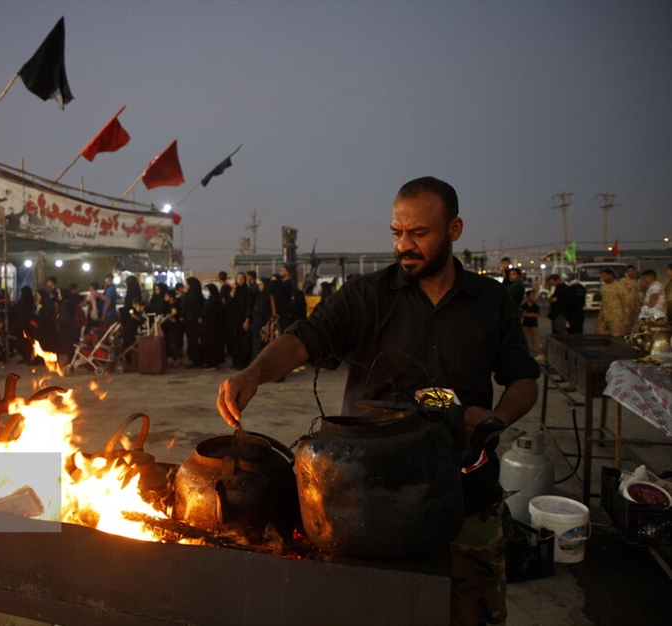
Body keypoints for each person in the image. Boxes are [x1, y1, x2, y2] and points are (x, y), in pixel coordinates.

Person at [217, 176, 539, 625]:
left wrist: (496, 419)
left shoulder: (491, 302)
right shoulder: (364, 297)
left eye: (419, 233)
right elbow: (304, 340)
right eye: (396, 232)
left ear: (454, 229)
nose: (404, 245)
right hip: (364, 498)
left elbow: (524, 379)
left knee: (471, 609)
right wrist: (255, 372)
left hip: (465, 490)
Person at [227, 272, 253, 369]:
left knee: (244, 341)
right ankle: (236, 363)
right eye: (238, 279)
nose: (240, 281)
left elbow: (249, 306)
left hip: (243, 319)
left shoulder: (247, 291)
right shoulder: (234, 290)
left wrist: (247, 319)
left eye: (242, 278)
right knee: (235, 341)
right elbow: (229, 301)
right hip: (234, 320)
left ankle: (244, 362)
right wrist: (233, 289)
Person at [596, 268, 628, 337]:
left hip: (616, 316)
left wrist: (626, 317)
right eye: (602, 276)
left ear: (610, 275)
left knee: (616, 335)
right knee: (600, 333)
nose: (602, 278)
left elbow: (625, 301)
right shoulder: (603, 287)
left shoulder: (619, 286)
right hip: (604, 315)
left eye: (604, 276)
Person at [182, 277, 205, 368]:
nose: (186, 286)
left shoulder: (196, 296)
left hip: (194, 321)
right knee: (190, 341)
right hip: (189, 321)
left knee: (195, 341)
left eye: (188, 284)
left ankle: (198, 360)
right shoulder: (188, 295)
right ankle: (193, 359)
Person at [201, 283, 225, 369]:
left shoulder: (214, 300)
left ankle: (213, 362)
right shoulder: (211, 299)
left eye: (207, 290)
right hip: (209, 325)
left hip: (213, 326)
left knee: (213, 344)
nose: (206, 292)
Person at [521, 289, 541, 357]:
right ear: (528, 296)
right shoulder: (524, 305)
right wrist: (531, 314)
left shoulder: (536, 306)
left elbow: (537, 315)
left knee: (535, 339)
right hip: (525, 324)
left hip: (534, 324)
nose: (534, 297)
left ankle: (537, 352)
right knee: (524, 339)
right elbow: (523, 314)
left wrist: (529, 314)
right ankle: (524, 353)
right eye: (532, 295)